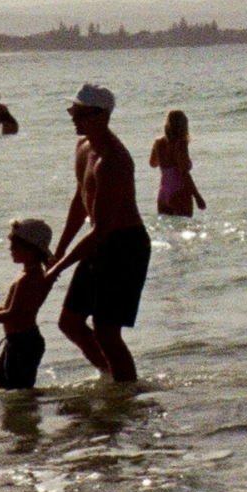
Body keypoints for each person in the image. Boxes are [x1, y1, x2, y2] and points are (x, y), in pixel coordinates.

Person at [46, 83, 149, 383]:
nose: (73, 118)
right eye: (72, 111)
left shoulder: (114, 160)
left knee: (106, 331)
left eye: (79, 112)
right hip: (98, 243)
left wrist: (56, 269)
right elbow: (81, 201)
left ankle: (127, 393)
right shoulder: (83, 148)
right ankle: (109, 376)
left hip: (125, 245)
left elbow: (102, 229)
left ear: (101, 115)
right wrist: (60, 249)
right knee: (70, 322)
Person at [0, 217, 56, 390]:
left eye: (15, 246)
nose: (10, 249)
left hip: (24, 342)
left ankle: (28, 414)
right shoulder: (27, 273)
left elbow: (12, 315)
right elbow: (11, 308)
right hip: (17, 340)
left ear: (32, 249)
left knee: (18, 389)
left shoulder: (28, 278)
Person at [148, 109, 206, 218]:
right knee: (185, 229)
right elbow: (183, 172)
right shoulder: (180, 144)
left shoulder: (158, 143)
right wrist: (197, 196)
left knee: (167, 231)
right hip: (179, 191)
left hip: (163, 192)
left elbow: (152, 163)